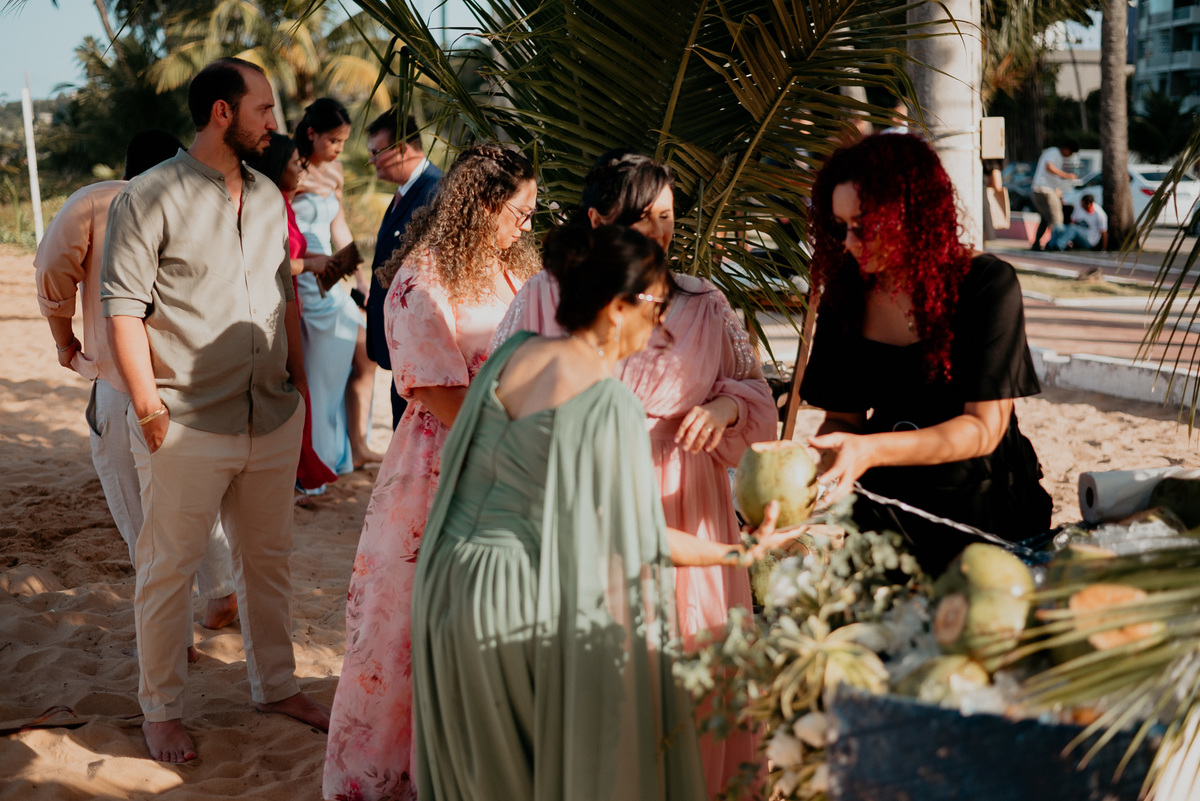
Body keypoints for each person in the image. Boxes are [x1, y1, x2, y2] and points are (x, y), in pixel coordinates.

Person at [412, 225, 799, 801]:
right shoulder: (607, 399)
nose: (662, 323)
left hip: (446, 587)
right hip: (517, 599)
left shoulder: (513, 355)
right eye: (656, 306)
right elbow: (638, 538)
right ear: (617, 308)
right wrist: (736, 551)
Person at [490, 148, 776, 797]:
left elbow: (758, 395)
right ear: (597, 219)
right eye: (644, 218)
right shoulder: (542, 296)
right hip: (582, 510)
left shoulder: (706, 303)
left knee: (690, 670)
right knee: (597, 676)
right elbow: (506, 397)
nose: (661, 232)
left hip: (687, 501)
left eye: (669, 217)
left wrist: (727, 407)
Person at [101, 57, 329, 763]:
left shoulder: (267, 197)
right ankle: (161, 710)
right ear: (222, 113)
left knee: (269, 562)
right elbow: (122, 308)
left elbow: (280, 294)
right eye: (263, 108)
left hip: (271, 416)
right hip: (185, 420)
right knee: (168, 568)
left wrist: (297, 391)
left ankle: (276, 685)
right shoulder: (147, 196)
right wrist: (148, 410)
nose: (275, 122)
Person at [323, 143, 540, 801]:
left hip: (510, 457)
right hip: (445, 464)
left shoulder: (509, 271)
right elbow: (437, 393)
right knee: (406, 632)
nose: (527, 225)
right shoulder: (422, 279)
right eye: (520, 211)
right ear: (481, 205)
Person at [801, 133, 1052, 576]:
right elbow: (844, 421)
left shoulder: (986, 286)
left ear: (913, 214)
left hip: (985, 503)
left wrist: (869, 450)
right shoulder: (844, 297)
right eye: (840, 227)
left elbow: (983, 430)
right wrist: (817, 470)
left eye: (864, 224)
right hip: (886, 508)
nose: (850, 242)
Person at [34, 130, 239, 647]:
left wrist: (66, 343)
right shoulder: (205, 205)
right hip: (196, 379)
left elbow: (51, 276)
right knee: (192, 498)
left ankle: (170, 632)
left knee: (135, 505)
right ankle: (220, 592)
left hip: (124, 380)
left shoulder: (97, 201)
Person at [293, 97, 382, 481]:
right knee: (316, 373)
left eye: (343, 142)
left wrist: (359, 278)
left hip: (331, 277)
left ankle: (348, 450)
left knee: (358, 355)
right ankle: (316, 461)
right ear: (312, 134)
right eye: (333, 141)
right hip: (300, 275)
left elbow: (339, 228)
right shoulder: (288, 169)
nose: (339, 150)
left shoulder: (335, 172)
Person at [246, 132, 339, 498]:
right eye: (295, 163)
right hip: (281, 299)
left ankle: (301, 465)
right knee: (293, 380)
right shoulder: (269, 206)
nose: (302, 168)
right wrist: (314, 264)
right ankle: (294, 466)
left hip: (295, 298)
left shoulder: (287, 201)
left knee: (302, 382)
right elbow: (274, 261)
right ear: (276, 166)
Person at [364, 110, 443, 429]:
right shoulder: (406, 191)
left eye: (376, 152)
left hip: (417, 341)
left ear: (402, 148)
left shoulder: (434, 190)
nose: (372, 161)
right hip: (399, 341)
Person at [1030, 138, 1079, 250]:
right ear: (1066, 149)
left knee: (1046, 219)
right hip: (1045, 190)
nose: (1070, 156)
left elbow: (1051, 177)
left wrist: (1058, 193)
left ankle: (1036, 243)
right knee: (1057, 218)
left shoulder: (1054, 154)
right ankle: (1057, 244)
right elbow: (1049, 167)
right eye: (1070, 153)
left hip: (1039, 190)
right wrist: (1067, 175)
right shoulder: (1053, 152)